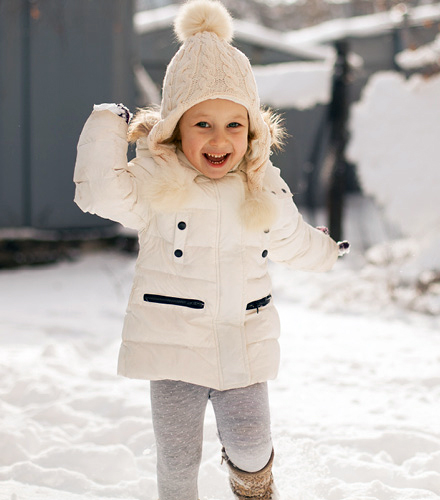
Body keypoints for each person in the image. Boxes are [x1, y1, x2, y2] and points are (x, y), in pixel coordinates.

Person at [73, 1, 349, 498]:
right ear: (177, 127)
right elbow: (99, 193)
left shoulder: (263, 186)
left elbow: (291, 236)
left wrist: (327, 253)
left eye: (234, 124)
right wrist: (106, 124)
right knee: (178, 462)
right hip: (174, 345)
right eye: (202, 124)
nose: (220, 138)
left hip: (242, 342)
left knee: (250, 443)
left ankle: (255, 488)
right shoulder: (156, 182)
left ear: (253, 130)